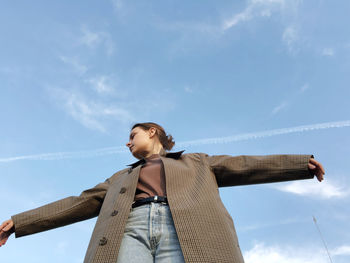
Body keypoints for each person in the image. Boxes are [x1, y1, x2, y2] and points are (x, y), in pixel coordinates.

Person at [0, 122, 325, 263]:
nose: (128, 142)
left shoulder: (196, 161)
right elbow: (79, 202)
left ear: (152, 132)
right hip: (128, 230)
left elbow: (242, 164)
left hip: (185, 228)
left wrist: (298, 164)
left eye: (133, 135)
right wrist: (20, 222)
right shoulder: (118, 178)